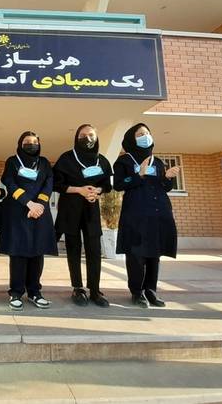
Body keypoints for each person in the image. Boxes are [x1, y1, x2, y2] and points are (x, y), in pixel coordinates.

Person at [113, 123, 180, 308]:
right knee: (136, 254)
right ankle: (137, 292)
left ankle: (151, 290)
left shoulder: (157, 162)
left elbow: (165, 187)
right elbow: (118, 184)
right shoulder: (124, 161)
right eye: (140, 134)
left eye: (147, 133)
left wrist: (167, 177)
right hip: (136, 214)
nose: (146, 136)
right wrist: (139, 175)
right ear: (131, 139)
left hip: (159, 213)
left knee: (154, 253)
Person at [53, 124, 113, 307]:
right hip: (70, 209)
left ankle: (95, 290)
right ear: (76, 138)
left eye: (91, 135)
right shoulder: (66, 158)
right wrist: (79, 190)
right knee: (73, 249)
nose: (88, 138)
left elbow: (107, 185)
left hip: (91, 209)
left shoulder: (102, 160)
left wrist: (97, 191)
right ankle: (78, 288)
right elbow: (57, 184)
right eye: (83, 135)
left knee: (94, 249)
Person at [0, 131, 57, 310]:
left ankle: (34, 292)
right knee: (18, 254)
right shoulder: (12, 161)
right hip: (18, 212)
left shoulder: (44, 162)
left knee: (37, 254)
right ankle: (16, 293)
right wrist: (28, 203)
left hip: (40, 213)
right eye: (27, 142)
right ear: (20, 144)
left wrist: (39, 205)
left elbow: (49, 183)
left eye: (34, 142)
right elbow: (9, 182)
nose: (31, 145)